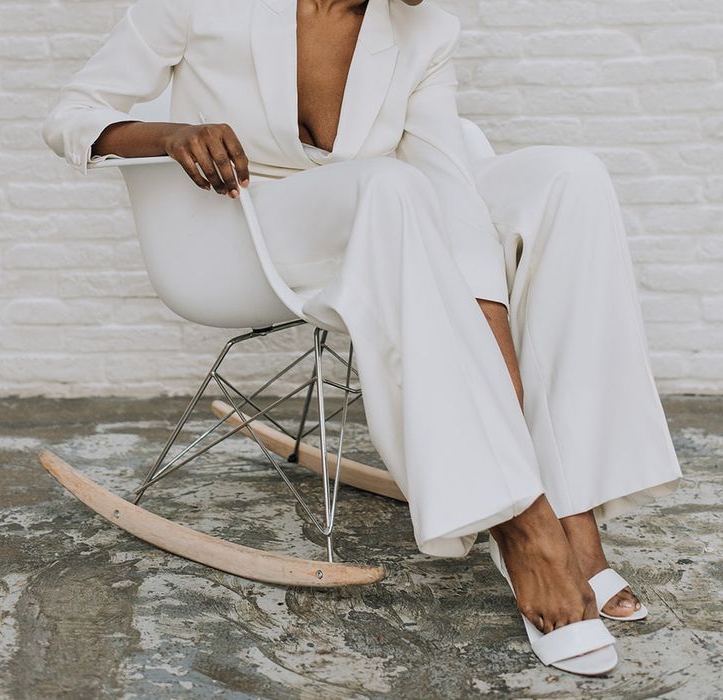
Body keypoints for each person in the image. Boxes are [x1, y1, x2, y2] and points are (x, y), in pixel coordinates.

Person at [42, 0, 683, 675]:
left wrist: (504, 403)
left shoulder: (423, 28)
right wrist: (170, 134)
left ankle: (567, 503)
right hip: (243, 226)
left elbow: (454, 200)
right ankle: (521, 527)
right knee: (391, 183)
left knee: (569, 178)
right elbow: (70, 114)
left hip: (390, 218)